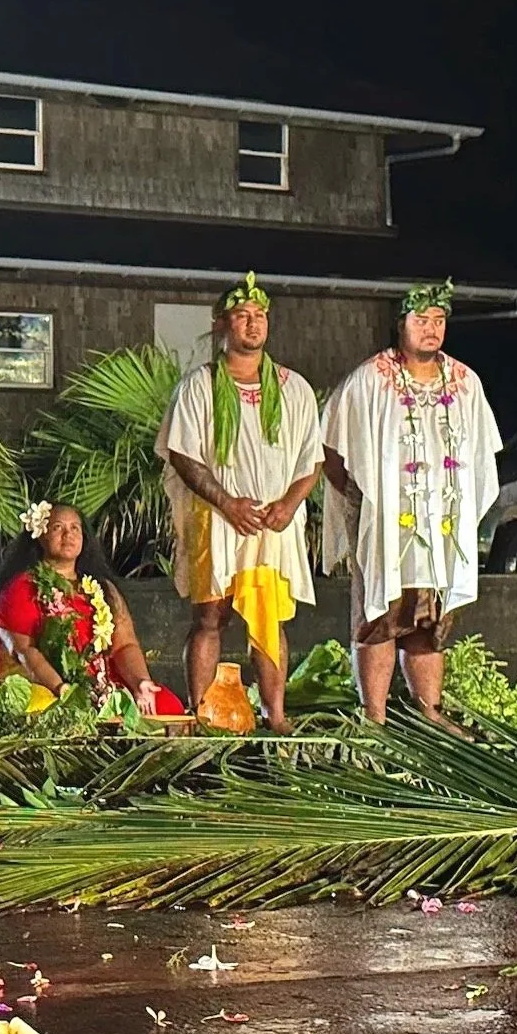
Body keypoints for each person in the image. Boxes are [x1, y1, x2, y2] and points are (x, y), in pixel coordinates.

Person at [320, 279, 502, 730]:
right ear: (400, 324)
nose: (432, 329)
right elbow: (329, 446)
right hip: (386, 527)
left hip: (441, 528)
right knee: (380, 617)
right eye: (421, 320)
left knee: (430, 621)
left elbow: (482, 455)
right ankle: (374, 717)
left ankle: (429, 712)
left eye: (439, 321)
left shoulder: (465, 383)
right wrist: (359, 505)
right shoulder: (370, 380)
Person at [156, 272, 322, 733]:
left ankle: (276, 714)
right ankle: (201, 712)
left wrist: (288, 505)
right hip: (217, 517)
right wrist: (228, 503)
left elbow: (311, 459)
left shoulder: (295, 388)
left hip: (273, 522)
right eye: (242, 315)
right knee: (211, 615)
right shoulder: (199, 386)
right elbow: (184, 455)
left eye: (260, 316)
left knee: (269, 618)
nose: (253, 324)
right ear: (222, 325)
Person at [0, 501, 186, 719]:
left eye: (75, 528)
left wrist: (140, 682)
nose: (68, 534)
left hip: (99, 687)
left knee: (167, 705)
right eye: (57, 528)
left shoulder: (103, 589)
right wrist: (63, 690)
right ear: (40, 535)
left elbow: (124, 645)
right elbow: (25, 651)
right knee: (44, 711)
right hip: (46, 686)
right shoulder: (21, 588)